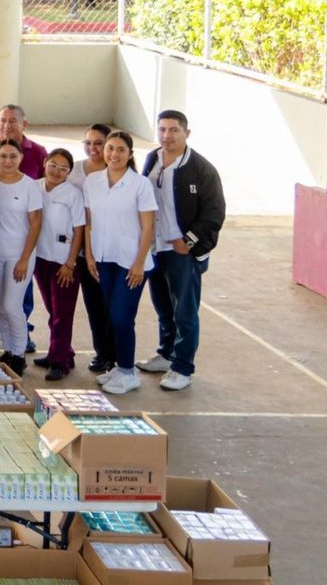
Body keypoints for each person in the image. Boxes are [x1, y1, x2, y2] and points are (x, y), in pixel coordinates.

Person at [140, 109, 225, 391]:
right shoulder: (152, 158)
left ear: (187, 133)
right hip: (156, 248)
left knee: (185, 312)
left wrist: (188, 240)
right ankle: (166, 355)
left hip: (182, 252)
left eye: (174, 130)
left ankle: (183, 368)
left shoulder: (202, 169)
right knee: (163, 306)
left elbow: (214, 212)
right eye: (162, 129)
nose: (167, 136)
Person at [84, 129, 158, 395]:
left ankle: (128, 372)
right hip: (103, 259)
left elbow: (148, 227)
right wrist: (89, 255)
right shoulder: (92, 181)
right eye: (110, 148)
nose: (114, 154)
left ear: (130, 154)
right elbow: (88, 222)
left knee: (121, 317)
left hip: (131, 263)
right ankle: (119, 367)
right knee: (110, 315)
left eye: (120, 150)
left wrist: (138, 263)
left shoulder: (140, 185)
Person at [0, 139, 45, 374]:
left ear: (21, 158)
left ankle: (19, 354)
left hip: (19, 256)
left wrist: (24, 258)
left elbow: (36, 223)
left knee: (12, 306)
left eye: (13, 156)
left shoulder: (29, 186)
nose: (8, 161)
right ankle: (7, 350)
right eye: (3, 156)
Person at [65, 122, 117, 373]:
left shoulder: (117, 171)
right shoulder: (73, 170)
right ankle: (102, 353)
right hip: (81, 250)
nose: (93, 148)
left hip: (109, 249)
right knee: (94, 305)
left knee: (112, 306)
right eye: (88, 143)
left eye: (99, 143)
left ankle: (115, 355)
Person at [34, 148, 87, 381]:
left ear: (69, 172)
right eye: (53, 165)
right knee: (52, 309)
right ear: (45, 163)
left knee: (63, 313)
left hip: (63, 261)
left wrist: (70, 263)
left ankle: (58, 362)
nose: (57, 171)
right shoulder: (34, 187)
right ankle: (64, 352)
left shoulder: (73, 194)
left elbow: (79, 230)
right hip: (40, 257)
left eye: (64, 168)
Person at [0, 103, 48, 178]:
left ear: (24, 124)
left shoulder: (39, 152)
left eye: (12, 121)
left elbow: (47, 182)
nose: (7, 126)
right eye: (3, 121)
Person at [69, 123, 111, 188]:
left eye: (98, 143)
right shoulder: (73, 168)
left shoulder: (116, 172)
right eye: (87, 143)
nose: (92, 147)